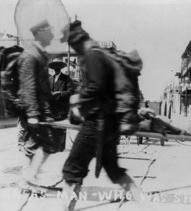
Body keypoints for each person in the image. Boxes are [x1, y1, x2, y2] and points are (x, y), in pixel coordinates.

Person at [60, 20, 147, 211]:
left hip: (97, 123)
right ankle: (145, 204)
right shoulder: (98, 53)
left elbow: (96, 86)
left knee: (72, 168)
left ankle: (66, 208)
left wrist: (77, 98)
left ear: (75, 40)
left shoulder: (92, 54)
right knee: (113, 170)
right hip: (109, 123)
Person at [16, 20, 58, 185]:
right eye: (50, 32)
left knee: (46, 144)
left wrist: (47, 112)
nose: (53, 35)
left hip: (40, 109)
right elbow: (29, 87)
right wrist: (33, 113)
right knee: (33, 145)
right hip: (30, 110)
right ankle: (27, 178)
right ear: (41, 34)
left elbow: (43, 89)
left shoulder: (39, 56)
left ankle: (29, 177)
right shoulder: (30, 56)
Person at [48, 58, 74, 151]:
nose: (56, 68)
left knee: (62, 129)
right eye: (54, 66)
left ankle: (60, 149)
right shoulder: (49, 79)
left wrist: (60, 93)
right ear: (53, 68)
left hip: (62, 108)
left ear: (60, 67)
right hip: (52, 108)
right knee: (53, 128)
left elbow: (71, 92)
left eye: (58, 66)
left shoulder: (66, 79)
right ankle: (54, 148)